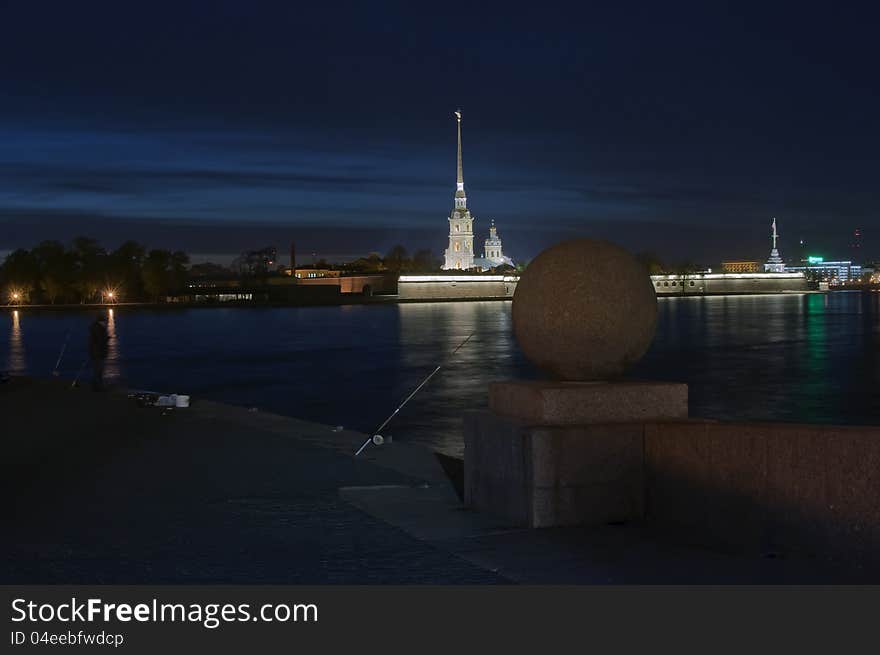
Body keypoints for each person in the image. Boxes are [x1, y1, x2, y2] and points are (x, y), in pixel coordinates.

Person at [88, 314, 109, 391]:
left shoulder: (95, 328)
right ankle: (98, 386)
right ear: (102, 321)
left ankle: (97, 385)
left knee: (97, 369)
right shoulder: (99, 329)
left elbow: (95, 341)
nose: (106, 323)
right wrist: (106, 338)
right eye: (105, 321)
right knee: (99, 370)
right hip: (98, 353)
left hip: (95, 352)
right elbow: (100, 341)